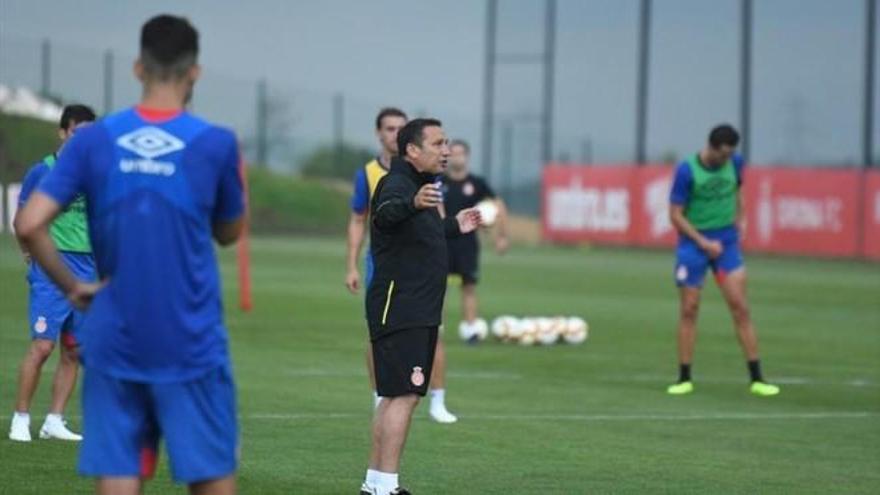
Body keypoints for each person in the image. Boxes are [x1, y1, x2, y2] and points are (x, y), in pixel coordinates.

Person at [15, 14, 244, 495]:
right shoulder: (216, 143)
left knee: (121, 474)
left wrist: (74, 287)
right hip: (190, 337)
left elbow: (30, 224)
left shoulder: (94, 140)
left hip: (115, 335)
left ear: (138, 68)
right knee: (211, 475)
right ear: (195, 72)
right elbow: (229, 231)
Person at [360, 119, 481, 495]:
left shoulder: (421, 185)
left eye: (447, 143)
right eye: (438, 143)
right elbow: (386, 214)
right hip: (403, 307)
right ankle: (385, 488)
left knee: (395, 396)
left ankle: (376, 483)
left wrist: (452, 226)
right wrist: (412, 203)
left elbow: (417, 232)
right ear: (412, 150)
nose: (446, 150)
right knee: (405, 396)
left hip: (415, 307)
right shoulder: (398, 184)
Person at [346, 108, 458, 423]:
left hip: (420, 277)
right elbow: (369, 217)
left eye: (399, 127)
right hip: (391, 274)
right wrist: (351, 264)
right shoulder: (374, 175)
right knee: (389, 359)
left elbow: (433, 223)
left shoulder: (426, 177)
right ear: (379, 133)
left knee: (433, 334)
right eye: (389, 128)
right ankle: (380, 394)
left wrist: (454, 224)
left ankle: (437, 398)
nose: (394, 132)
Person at [666, 124, 780, 397]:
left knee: (740, 307)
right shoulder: (687, 170)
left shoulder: (735, 164)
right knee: (689, 310)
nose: (725, 160)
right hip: (694, 246)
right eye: (722, 155)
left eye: (730, 155)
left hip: (726, 244)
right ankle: (684, 378)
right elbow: (675, 215)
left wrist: (742, 217)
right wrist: (704, 242)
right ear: (711, 148)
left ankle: (757, 379)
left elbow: (738, 190)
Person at [9, 104, 97, 443]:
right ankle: (20, 418)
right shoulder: (42, 172)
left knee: (73, 348)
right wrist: (29, 254)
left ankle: (54, 420)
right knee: (43, 346)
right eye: (77, 134)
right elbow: (21, 220)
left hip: (87, 270)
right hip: (51, 267)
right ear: (63, 133)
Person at [442, 139, 509, 330]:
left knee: (469, 287)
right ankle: (436, 330)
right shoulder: (440, 182)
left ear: (467, 156)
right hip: (442, 241)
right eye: (452, 153)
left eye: (460, 153)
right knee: (439, 288)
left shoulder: (477, 183)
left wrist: (502, 236)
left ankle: (471, 330)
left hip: (467, 244)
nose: (456, 156)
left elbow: (498, 205)